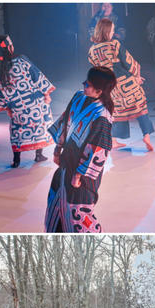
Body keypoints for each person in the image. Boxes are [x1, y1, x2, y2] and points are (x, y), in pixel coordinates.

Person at [44, 67, 115, 233]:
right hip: (66, 161)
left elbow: (99, 149)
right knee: (56, 200)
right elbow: (65, 120)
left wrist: (79, 174)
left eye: (88, 84)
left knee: (78, 210)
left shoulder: (102, 116)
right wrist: (57, 149)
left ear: (99, 90)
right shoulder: (78, 97)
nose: (84, 85)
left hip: (83, 173)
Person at [89, 18, 155, 151]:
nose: (113, 32)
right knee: (140, 106)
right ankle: (146, 135)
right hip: (125, 82)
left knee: (116, 111)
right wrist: (136, 76)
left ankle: (113, 141)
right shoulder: (114, 44)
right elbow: (129, 62)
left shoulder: (92, 51)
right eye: (112, 30)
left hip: (109, 85)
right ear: (106, 31)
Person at [0, 35, 55, 168]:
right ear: (10, 47)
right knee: (41, 125)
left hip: (17, 107)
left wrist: (8, 108)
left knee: (17, 130)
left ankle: (16, 160)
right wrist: (46, 94)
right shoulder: (22, 60)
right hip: (35, 103)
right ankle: (39, 155)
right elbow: (36, 76)